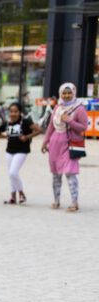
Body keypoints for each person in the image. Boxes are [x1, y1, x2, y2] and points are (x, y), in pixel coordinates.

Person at [42, 82, 88, 212]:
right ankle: (56, 201)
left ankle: (74, 202)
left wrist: (69, 121)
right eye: (64, 93)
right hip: (55, 143)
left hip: (70, 143)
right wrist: (45, 141)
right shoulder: (57, 107)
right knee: (56, 174)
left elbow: (84, 127)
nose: (67, 95)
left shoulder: (79, 108)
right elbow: (51, 126)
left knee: (70, 173)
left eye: (69, 92)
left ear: (74, 92)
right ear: (60, 94)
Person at [0, 102, 39, 205]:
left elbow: (38, 130)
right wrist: (4, 136)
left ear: (20, 112)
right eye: (11, 111)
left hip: (22, 150)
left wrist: (27, 137)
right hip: (9, 151)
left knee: (13, 172)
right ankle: (12, 197)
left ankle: (21, 194)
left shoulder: (25, 121)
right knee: (11, 175)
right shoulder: (7, 123)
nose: (13, 114)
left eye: (16, 111)